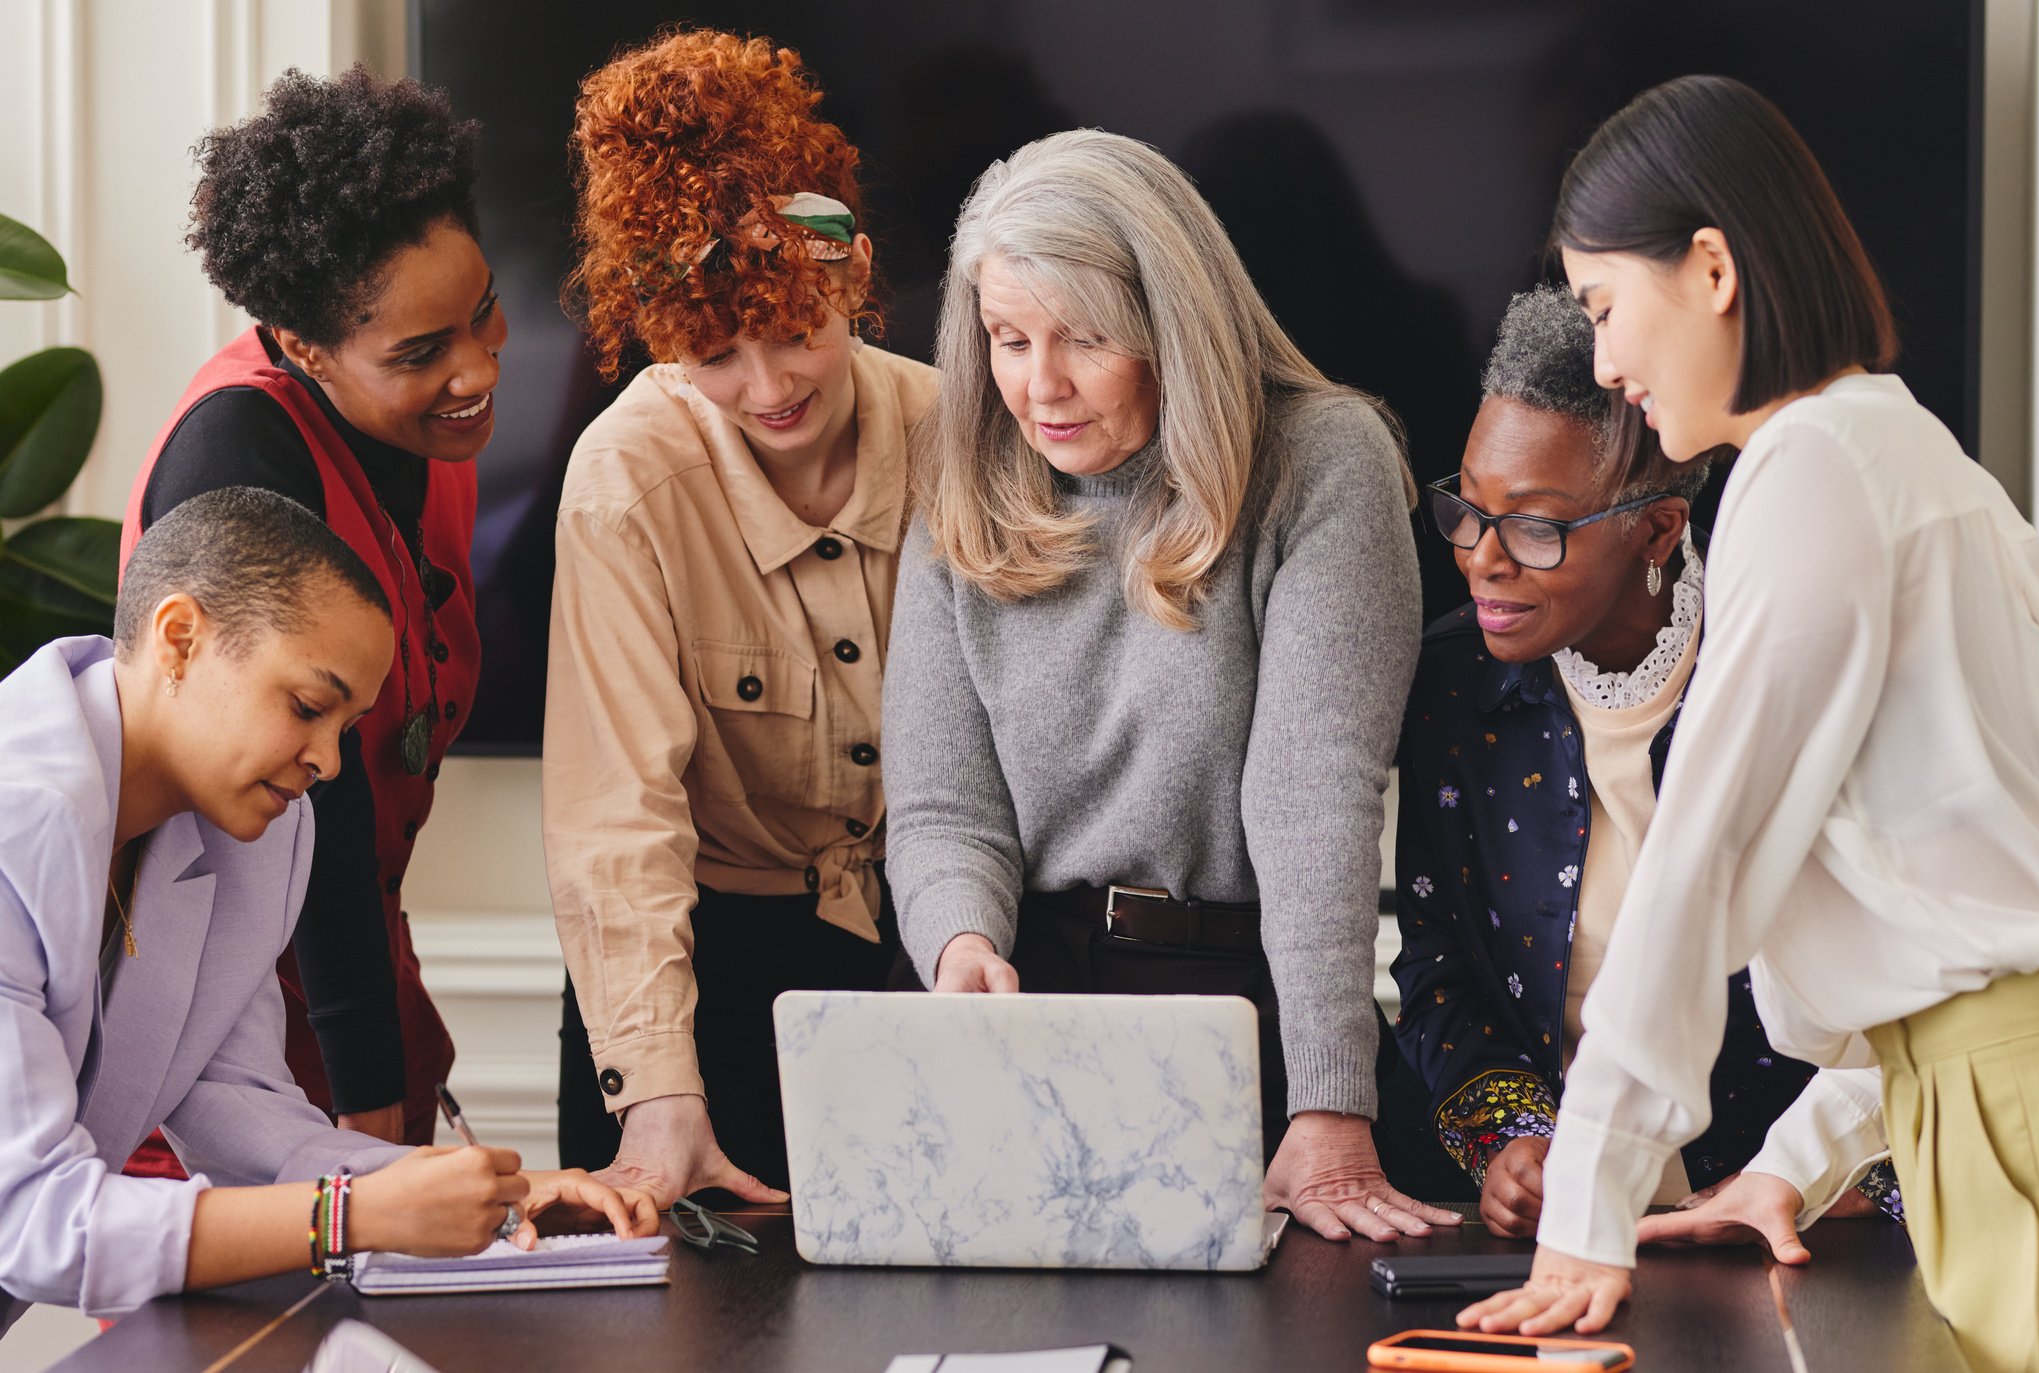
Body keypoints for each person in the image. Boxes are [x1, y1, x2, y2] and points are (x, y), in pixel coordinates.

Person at [1456, 77, 2039, 1373]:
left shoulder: (1808, 473)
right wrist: (1794, 1160)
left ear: (1714, 268)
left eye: (1607, 307)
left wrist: (1586, 1211)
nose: (1605, 363)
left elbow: (1702, 861)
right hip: (1980, 1104)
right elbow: (1965, 925)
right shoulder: (1911, 461)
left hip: (2016, 1115)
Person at [881, 128, 1460, 1243]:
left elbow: (1313, 799)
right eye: (1008, 339)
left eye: (1084, 340)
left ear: (1171, 327)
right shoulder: (960, 477)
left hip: (1236, 1001)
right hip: (1022, 1003)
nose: (1037, 386)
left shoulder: (1322, 458)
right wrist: (959, 948)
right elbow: (945, 804)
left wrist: (1329, 1098)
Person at [0, 489, 654, 1335]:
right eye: (309, 706)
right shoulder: (16, 811)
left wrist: (498, 1200)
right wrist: (348, 1215)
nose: (328, 761)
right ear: (180, 638)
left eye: (346, 725)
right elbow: (30, 1220)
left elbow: (236, 1103)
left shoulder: (258, 830)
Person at [1393, 285, 1896, 1237]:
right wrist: (1517, 1139)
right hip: (1577, 1225)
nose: (1482, 559)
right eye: (1467, 508)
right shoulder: (1453, 683)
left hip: (1802, 1218)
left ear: (1658, 530)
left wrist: (1804, 1174)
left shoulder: (1782, 660)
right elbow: (1438, 966)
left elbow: (1892, 992)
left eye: (1535, 526)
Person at [544, 29, 937, 1202]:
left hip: (934, 951)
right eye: (714, 355)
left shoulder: (967, 434)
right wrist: (664, 1091)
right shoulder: (624, 482)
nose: (768, 389)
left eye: (795, 331)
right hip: (703, 977)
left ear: (853, 278)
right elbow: (618, 815)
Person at [120, 67, 502, 1157]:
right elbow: (309, 804)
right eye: (421, 354)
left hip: (363, 980)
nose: (477, 369)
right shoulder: (238, 452)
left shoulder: (438, 437)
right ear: (302, 344)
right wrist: (362, 1084)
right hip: (225, 1035)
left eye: (482, 312)